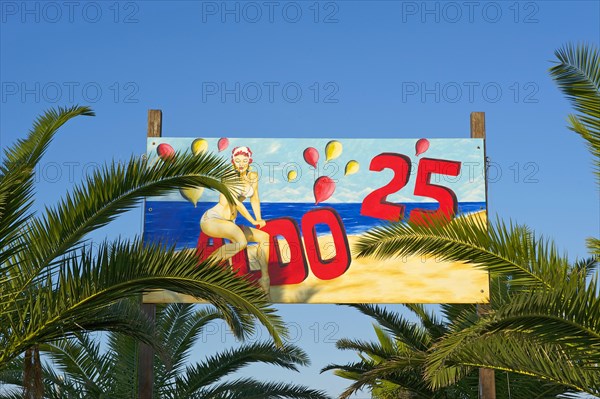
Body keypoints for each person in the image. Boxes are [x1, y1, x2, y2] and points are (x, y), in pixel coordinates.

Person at [200, 146, 271, 299]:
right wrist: (252, 220)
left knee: (264, 237)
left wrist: (258, 219)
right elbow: (237, 203)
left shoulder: (253, 176)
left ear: (249, 161)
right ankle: (204, 271)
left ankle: (265, 279)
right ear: (233, 161)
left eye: (244, 160)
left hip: (229, 223)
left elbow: (255, 198)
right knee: (241, 242)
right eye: (237, 160)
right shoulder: (228, 175)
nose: (240, 163)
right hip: (212, 219)